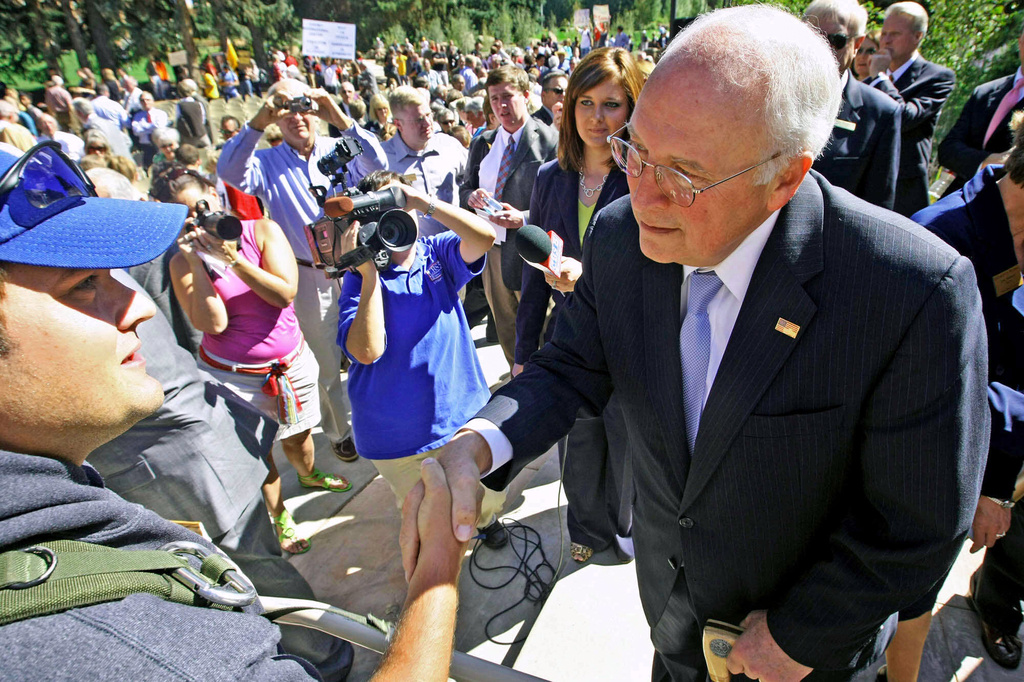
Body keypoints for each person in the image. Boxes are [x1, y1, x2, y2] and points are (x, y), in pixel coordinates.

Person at [402, 7, 990, 682]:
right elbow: (568, 369)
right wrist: (479, 445)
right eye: (637, 150)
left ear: (785, 178)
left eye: (683, 175)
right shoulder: (623, 238)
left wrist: (800, 636)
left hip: (801, 661)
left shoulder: (912, 292)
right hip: (674, 631)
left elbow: (919, 522)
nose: (643, 195)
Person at [0, 143, 477, 682]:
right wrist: (437, 567)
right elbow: (215, 322)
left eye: (116, 275)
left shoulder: (62, 501)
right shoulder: (99, 638)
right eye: (84, 284)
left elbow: (283, 294)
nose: (139, 306)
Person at [166, 171, 351, 556]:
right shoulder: (182, 263)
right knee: (260, 451)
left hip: (289, 365)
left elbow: (283, 294)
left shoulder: (261, 231)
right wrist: (197, 263)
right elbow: (212, 323)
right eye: (187, 215)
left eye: (203, 207)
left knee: (299, 437)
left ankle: (308, 474)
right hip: (235, 379)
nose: (201, 220)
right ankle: (279, 513)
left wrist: (233, 261)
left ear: (216, 196)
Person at [515, 47, 642, 563]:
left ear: (633, 107)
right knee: (580, 440)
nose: (596, 118)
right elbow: (535, 268)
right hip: (570, 339)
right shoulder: (551, 176)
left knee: (628, 441)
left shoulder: (646, 175)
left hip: (632, 337)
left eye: (611, 104)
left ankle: (626, 523)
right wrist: (524, 351)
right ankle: (587, 532)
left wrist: (589, 279)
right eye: (584, 102)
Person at [218, 78, 387, 463]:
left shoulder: (335, 147)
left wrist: (337, 113)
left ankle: (377, 416)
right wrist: (259, 120)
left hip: (359, 266)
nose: (298, 116)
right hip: (311, 274)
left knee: (374, 344)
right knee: (326, 363)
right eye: (287, 109)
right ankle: (340, 432)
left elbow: (378, 163)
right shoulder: (266, 161)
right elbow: (230, 172)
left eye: (305, 106)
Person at [909, 113, 1024, 674]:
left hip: (992, 456)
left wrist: (998, 485)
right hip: (925, 467)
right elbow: (934, 390)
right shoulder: (940, 242)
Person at [337, 170, 507, 548]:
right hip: (397, 434)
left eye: (398, 208)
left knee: (485, 493)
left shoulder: (437, 252)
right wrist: (368, 278)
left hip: (459, 411)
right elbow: (367, 351)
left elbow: (485, 237)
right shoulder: (359, 276)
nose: (396, 219)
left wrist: (419, 200)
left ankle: (487, 519)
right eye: (381, 214)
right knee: (431, 518)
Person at [460, 65, 559, 369]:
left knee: (541, 329)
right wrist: (471, 196)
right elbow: (466, 186)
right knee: (506, 328)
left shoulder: (548, 140)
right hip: (493, 252)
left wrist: (525, 218)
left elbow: (559, 200)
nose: (500, 106)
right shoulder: (483, 142)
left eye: (507, 97)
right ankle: (517, 383)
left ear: (526, 95)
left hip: (533, 252)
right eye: (493, 99)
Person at [804, 0, 901, 210]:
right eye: (812, 35)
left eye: (835, 40)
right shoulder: (771, 91)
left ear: (857, 44)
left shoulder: (880, 113)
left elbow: (878, 205)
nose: (821, 47)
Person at [865, 1, 955, 217]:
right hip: (866, 181)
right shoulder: (870, 79)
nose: (885, 40)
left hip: (903, 191)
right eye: (884, 33)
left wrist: (880, 79)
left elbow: (905, 117)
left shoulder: (937, 77)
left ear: (918, 36)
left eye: (895, 34)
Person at [937, 22, 1024, 197]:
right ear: (1020, 41)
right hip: (960, 197)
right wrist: (987, 160)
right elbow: (948, 150)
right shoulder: (986, 91)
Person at [383, 87, 467, 237]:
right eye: (419, 119)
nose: (428, 123)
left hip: (457, 249)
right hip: (414, 254)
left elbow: (472, 182)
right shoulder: (383, 159)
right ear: (398, 124)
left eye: (429, 115)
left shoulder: (450, 146)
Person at [131, 91, 171, 169]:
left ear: (152, 101)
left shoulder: (160, 114)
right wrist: (152, 126)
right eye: (142, 100)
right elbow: (136, 131)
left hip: (159, 144)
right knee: (147, 167)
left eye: (148, 100)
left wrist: (143, 127)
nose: (145, 102)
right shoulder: (138, 116)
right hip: (146, 145)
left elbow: (159, 128)